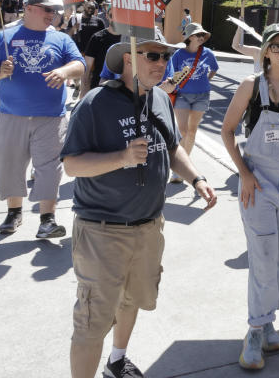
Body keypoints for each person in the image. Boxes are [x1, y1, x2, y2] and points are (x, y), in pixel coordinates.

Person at [62, 30, 217, 378]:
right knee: (92, 320)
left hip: (148, 227)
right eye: (153, 56)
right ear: (129, 59)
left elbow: (173, 146)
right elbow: (71, 164)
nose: (162, 63)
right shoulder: (96, 103)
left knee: (132, 299)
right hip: (102, 232)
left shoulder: (160, 99)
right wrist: (121, 157)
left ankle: (117, 361)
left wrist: (197, 178)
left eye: (165, 57)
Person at [219, 23, 279, 371]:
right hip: (258, 182)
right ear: (265, 51)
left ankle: (267, 318)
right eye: (275, 45)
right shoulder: (252, 86)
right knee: (262, 257)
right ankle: (255, 330)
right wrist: (244, 174)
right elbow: (227, 131)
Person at [0, 0, 87, 238]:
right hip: (10, 115)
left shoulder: (61, 39)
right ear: (29, 8)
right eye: (47, 10)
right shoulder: (4, 37)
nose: (53, 15)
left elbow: (80, 64)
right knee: (9, 164)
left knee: (50, 169)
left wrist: (65, 72)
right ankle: (14, 212)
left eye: (54, 11)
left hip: (51, 117)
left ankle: (47, 220)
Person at [167, 22, 219, 157]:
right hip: (182, 95)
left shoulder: (208, 53)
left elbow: (214, 69)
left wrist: (207, 80)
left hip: (202, 96)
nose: (201, 37)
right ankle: (178, 160)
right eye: (198, 35)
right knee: (182, 131)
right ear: (190, 37)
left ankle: (185, 162)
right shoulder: (179, 54)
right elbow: (171, 73)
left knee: (192, 131)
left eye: (202, 35)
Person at [80, 5, 121, 98]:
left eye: (119, 16)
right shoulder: (97, 38)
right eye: (112, 16)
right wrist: (83, 93)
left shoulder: (129, 39)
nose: (115, 19)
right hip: (99, 90)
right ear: (107, 16)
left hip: (123, 91)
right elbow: (87, 67)